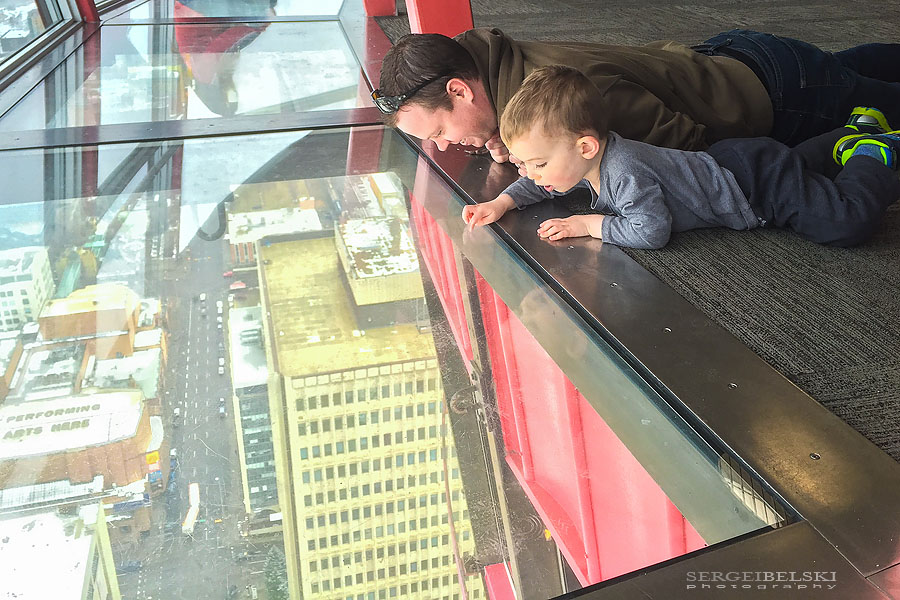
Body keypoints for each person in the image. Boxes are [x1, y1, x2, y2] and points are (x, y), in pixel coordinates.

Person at [461, 66, 900, 250]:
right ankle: (854, 130)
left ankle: (876, 151)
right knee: (799, 165)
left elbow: (652, 231)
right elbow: (539, 182)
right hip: (737, 163)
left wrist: (588, 225)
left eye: (537, 164)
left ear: (585, 147)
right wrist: (501, 203)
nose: (532, 174)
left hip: (753, 189)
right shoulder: (577, 161)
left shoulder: (623, 172)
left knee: (845, 221)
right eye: (525, 164)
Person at [374, 28, 900, 162]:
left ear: (461, 90)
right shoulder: (494, 60)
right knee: (849, 69)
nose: (442, 146)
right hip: (730, 60)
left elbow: (694, 148)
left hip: (774, 96)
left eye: (440, 131)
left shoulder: (564, 97)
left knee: (873, 98)